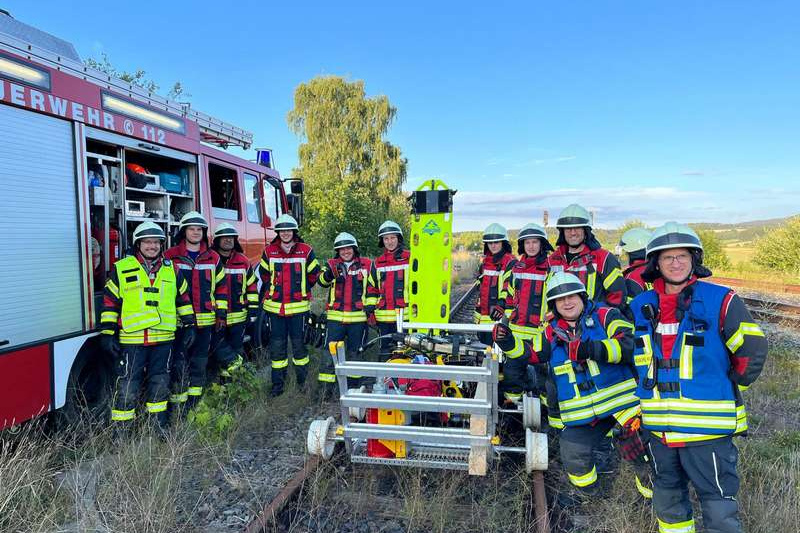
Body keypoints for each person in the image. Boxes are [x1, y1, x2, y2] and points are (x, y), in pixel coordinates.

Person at [630, 222, 768, 533]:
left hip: (707, 430)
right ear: (656, 264)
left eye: (682, 256)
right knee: (667, 498)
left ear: (694, 260)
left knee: (718, 501)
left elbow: (753, 347)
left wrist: (731, 382)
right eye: (668, 258)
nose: (675, 263)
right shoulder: (641, 306)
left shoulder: (722, 299)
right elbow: (638, 361)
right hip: (659, 428)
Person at [493, 272, 653, 501]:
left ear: (582, 296)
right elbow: (530, 353)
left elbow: (631, 345)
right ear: (554, 305)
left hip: (623, 404)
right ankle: (593, 497)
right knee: (573, 454)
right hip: (583, 413)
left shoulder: (606, 315)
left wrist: (592, 349)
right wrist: (508, 342)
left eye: (572, 297)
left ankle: (648, 500)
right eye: (560, 300)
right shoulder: (549, 332)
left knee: (643, 453)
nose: (567, 303)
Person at [100, 221, 195, 437]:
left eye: (156, 242)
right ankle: (121, 432)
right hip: (132, 341)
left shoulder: (173, 269)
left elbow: (183, 299)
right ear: (138, 244)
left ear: (162, 245)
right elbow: (110, 303)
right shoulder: (122, 268)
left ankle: (158, 426)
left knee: (160, 382)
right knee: (126, 385)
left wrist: (189, 325)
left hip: (164, 340)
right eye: (147, 242)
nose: (152, 246)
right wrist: (107, 333)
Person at [165, 211, 227, 410]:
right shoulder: (170, 256)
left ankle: (194, 403)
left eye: (199, 229)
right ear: (184, 232)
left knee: (199, 363)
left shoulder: (214, 257)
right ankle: (178, 406)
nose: (195, 232)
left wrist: (221, 314)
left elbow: (222, 288)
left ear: (204, 232)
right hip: (179, 322)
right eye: (191, 229)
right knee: (178, 363)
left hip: (205, 321)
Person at [258, 214, 320, 396]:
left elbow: (314, 275)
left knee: (300, 349)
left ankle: (302, 385)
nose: (285, 233)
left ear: (294, 231)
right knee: (277, 350)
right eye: (282, 230)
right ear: (278, 232)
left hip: (299, 310)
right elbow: (264, 275)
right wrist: (274, 291)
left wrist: (300, 290)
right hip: (275, 309)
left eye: (288, 230)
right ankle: (278, 387)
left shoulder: (306, 251)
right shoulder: (269, 251)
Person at [317, 232, 375, 393]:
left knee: (355, 353)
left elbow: (373, 288)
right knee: (330, 353)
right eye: (341, 249)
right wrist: (329, 274)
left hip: (358, 319)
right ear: (338, 251)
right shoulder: (331, 264)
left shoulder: (367, 265)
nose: (345, 252)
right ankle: (325, 389)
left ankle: (353, 388)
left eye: (348, 248)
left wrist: (370, 305)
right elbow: (320, 281)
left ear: (354, 249)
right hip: (335, 318)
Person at [502, 222, 552, 403]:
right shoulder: (516, 268)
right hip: (516, 331)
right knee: (512, 374)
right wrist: (506, 322)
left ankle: (546, 412)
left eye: (535, 242)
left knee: (544, 377)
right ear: (522, 245)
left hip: (540, 333)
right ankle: (512, 409)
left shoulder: (551, 269)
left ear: (542, 244)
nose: (531, 246)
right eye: (527, 243)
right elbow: (509, 297)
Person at [548, 204, 627, 311]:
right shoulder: (552, 260)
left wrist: (601, 319)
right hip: (560, 325)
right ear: (562, 232)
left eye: (577, 228)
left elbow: (617, 298)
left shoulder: (604, 259)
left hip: (593, 325)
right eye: (568, 229)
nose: (573, 233)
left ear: (586, 231)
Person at [210, 223, 258, 379]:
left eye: (231, 238)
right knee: (215, 348)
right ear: (217, 240)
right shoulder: (210, 259)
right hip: (215, 317)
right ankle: (240, 371)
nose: (228, 241)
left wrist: (253, 310)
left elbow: (252, 286)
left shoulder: (243, 261)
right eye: (224, 238)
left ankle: (231, 385)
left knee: (236, 348)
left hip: (238, 317)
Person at [367, 220, 410, 358]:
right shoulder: (377, 263)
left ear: (399, 239)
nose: (390, 241)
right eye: (386, 238)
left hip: (406, 316)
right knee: (385, 352)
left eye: (392, 237)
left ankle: (406, 379)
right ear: (382, 241)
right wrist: (370, 311)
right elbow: (371, 289)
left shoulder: (410, 258)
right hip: (383, 318)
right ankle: (385, 380)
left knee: (407, 352)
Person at [474, 223, 517, 345]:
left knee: (498, 353)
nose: (493, 245)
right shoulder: (485, 262)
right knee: (486, 350)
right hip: (484, 318)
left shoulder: (510, 262)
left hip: (500, 316)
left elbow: (508, 286)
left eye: (496, 242)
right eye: (490, 243)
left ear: (503, 243)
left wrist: (501, 304)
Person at [619, 227, 652, 304]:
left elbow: (630, 308)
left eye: (626, 253)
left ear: (633, 253)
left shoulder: (632, 276)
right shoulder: (660, 268)